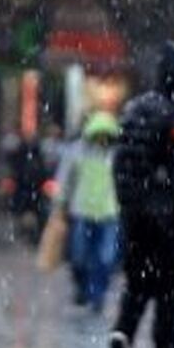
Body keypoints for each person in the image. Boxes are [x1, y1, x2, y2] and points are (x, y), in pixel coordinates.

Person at [108, 41, 174, 348]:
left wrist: (132, 207)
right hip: (172, 219)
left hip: (136, 217)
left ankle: (123, 330)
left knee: (138, 281)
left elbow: (121, 165)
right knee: (172, 291)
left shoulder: (134, 109)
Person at [55, 111, 121, 312]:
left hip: (109, 213)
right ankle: (83, 289)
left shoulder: (116, 155)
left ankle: (97, 294)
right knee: (79, 255)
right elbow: (64, 180)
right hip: (82, 211)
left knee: (105, 257)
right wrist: (60, 204)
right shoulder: (77, 153)